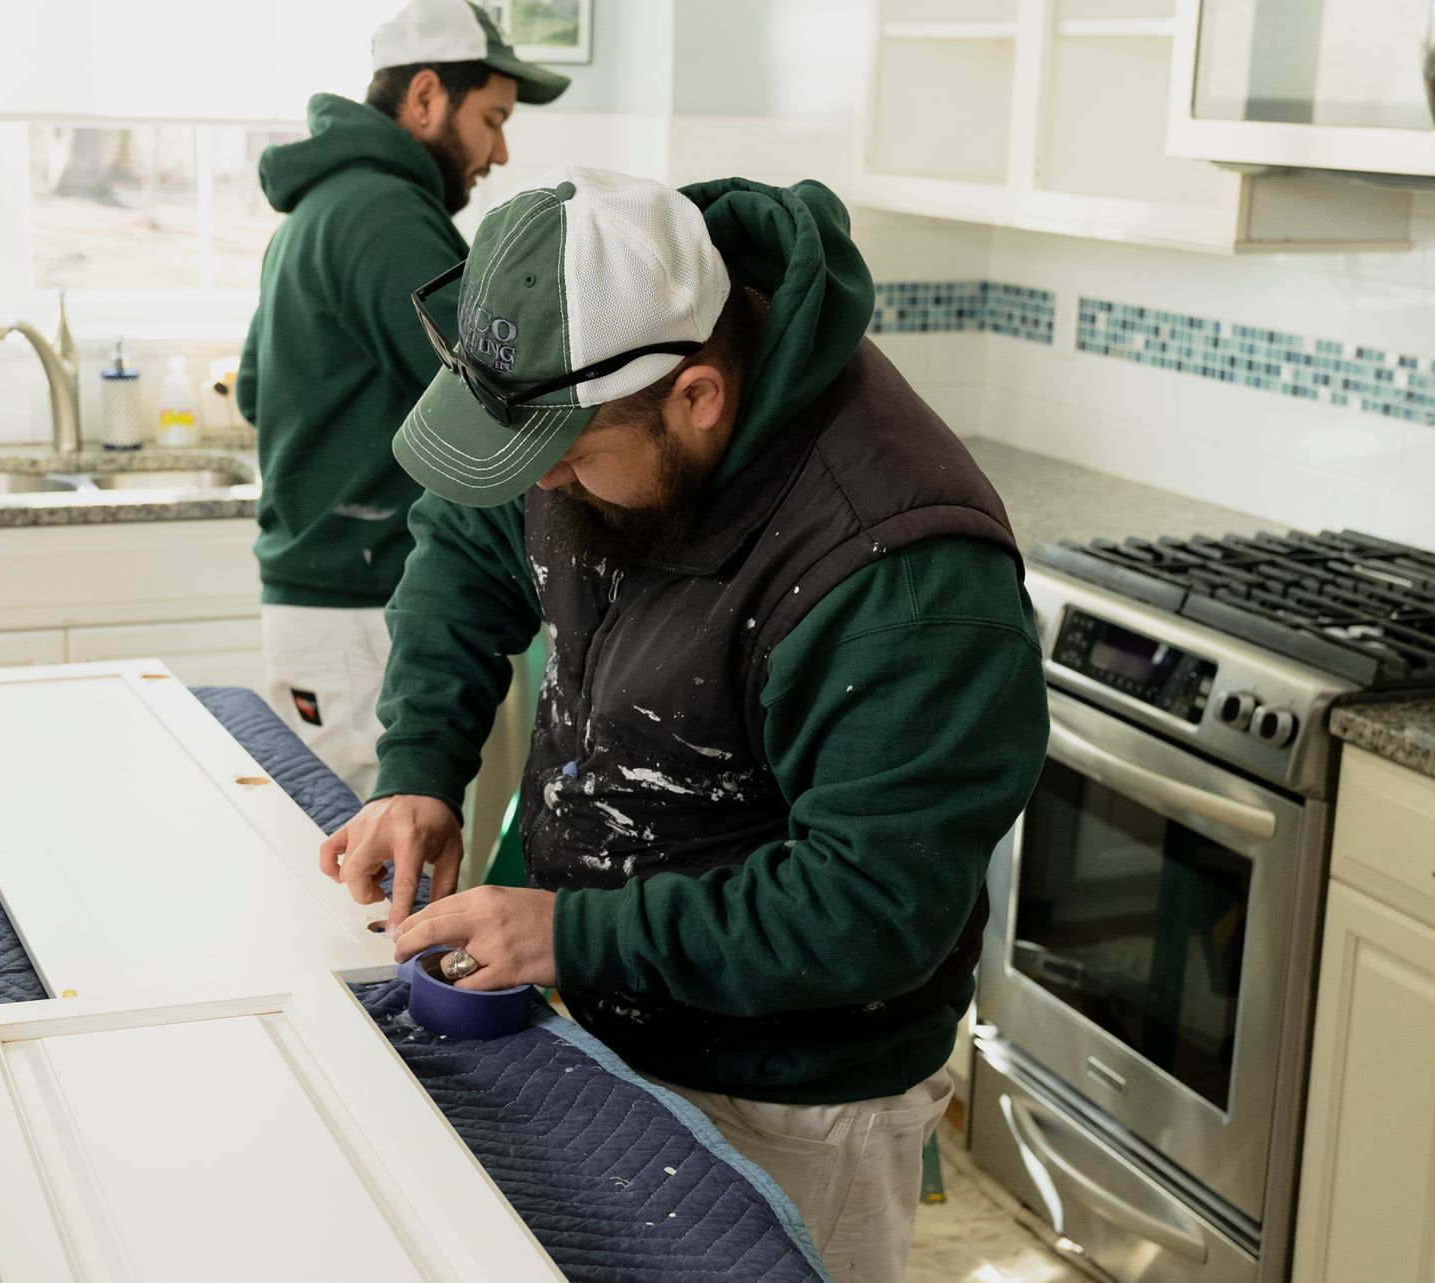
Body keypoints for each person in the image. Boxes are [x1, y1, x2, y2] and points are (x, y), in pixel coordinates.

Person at [320, 167, 1049, 1283]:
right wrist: (419, 765)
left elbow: (869, 909)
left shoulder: (901, 572)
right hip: (609, 1026)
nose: (545, 482)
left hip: (800, 1096)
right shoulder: (596, 393)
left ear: (699, 395)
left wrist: (574, 932)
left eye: (566, 456)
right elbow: (470, 555)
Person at [236, 0, 568, 797]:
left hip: (323, 609)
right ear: (424, 98)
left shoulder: (320, 209)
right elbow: (497, 397)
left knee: (344, 878)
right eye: (491, 118)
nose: (500, 149)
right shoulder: (387, 216)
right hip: (366, 614)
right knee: (379, 895)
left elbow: (251, 387)